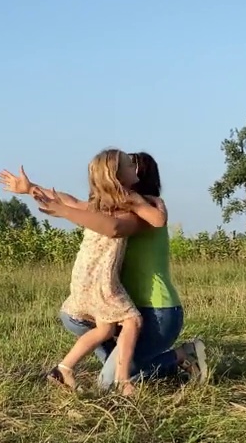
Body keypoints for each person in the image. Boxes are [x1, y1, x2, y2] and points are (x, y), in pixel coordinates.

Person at [0, 151, 208, 391]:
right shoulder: (112, 206)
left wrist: (67, 212)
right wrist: (31, 188)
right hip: (120, 302)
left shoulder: (145, 211)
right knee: (74, 317)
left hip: (158, 312)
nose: (127, 172)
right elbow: (72, 202)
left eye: (132, 166)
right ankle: (123, 363)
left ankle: (181, 355)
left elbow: (114, 227)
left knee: (108, 383)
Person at [41, 148, 168, 395]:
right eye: (129, 166)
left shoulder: (100, 203)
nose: (135, 169)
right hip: (100, 276)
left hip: (85, 274)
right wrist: (146, 202)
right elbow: (154, 220)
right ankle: (123, 381)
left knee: (106, 329)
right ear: (116, 176)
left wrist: (30, 188)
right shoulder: (123, 204)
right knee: (131, 320)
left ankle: (64, 369)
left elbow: (68, 201)